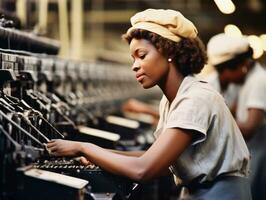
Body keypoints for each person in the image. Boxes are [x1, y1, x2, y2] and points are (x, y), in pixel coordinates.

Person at [47, 9, 251, 199]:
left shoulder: (196, 98)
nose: (135, 66)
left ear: (169, 52)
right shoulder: (173, 99)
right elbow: (159, 160)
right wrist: (100, 155)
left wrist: (85, 148)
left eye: (142, 56)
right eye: (132, 58)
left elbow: (143, 169)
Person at [207, 33, 266, 200]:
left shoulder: (258, 81)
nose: (224, 78)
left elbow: (248, 129)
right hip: (249, 154)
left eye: (223, 73)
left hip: (258, 154)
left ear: (239, 66)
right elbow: (233, 110)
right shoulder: (247, 81)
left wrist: (212, 122)